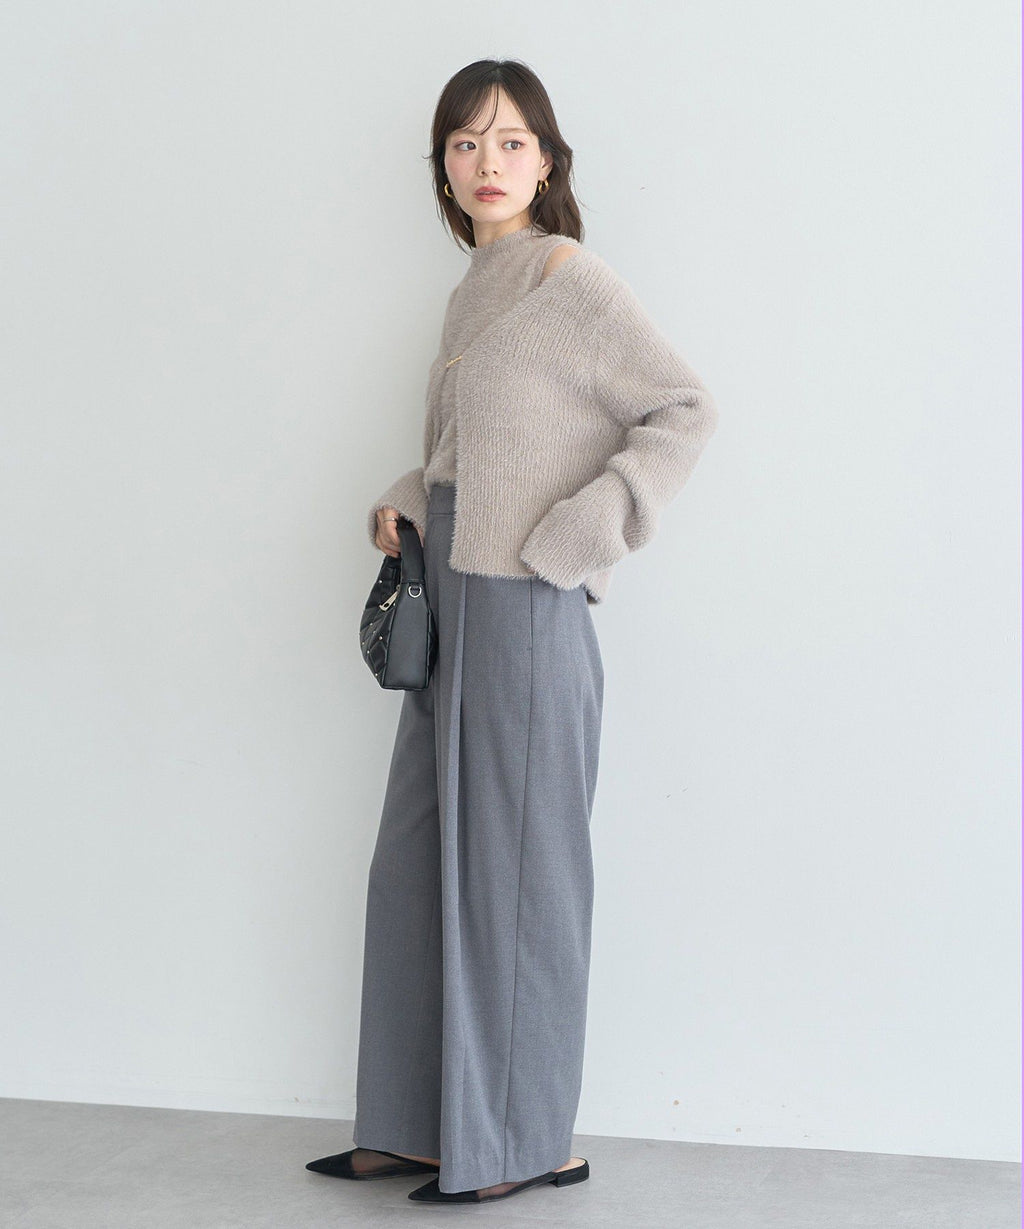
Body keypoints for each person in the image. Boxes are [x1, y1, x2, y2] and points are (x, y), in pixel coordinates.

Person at [306, 58, 719, 1206]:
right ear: (441, 167)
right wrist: (405, 497)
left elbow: (685, 409)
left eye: (510, 141)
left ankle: (529, 1140)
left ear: (547, 161)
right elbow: (462, 447)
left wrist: (583, 532)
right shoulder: (470, 294)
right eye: (464, 143)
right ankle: (415, 1125)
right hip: (451, 593)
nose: (486, 163)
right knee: (414, 861)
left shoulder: (564, 276)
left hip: (528, 605)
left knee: (517, 879)